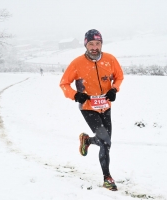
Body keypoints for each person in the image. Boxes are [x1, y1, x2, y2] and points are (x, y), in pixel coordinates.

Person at [59, 29, 124, 191]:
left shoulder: (110, 59)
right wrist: (75, 95)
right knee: (105, 142)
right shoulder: (77, 63)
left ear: (101, 44)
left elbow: (119, 76)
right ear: (85, 45)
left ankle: (87, 140)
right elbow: (64, 84)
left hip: (105, 106)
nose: (94, 47)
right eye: (91, 44)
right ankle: (107, 177)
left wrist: (114, 89)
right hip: (88, 107)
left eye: (97, 43)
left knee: (106, 142)